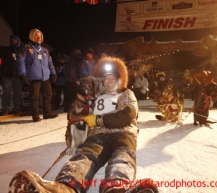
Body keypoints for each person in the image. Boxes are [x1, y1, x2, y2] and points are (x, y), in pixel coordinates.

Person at [9, 57, 158, 193]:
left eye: (113, 78)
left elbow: (127, 116)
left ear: (120, 79)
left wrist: (98, 119)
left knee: (123, 156)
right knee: (84, 156)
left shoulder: (126, 94)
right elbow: (78, 111)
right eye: (106, 79)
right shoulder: (96, 96)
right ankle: (66, 186)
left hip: (123, 133)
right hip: (98, 135)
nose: (109, 82)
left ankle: (117, 186)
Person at [16, 29, 58, 122]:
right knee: (34, 97)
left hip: (45, 77)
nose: (38, 38)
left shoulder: (45, 50)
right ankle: (35, 115)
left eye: (40, 36)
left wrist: (53, 72)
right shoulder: (26, 48)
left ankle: (47, 113)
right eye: (36, 36)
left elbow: (50, 63)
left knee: (48, 95)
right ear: (31, 36)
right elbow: (20, 61)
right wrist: (23, 74)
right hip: (33, 76)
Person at [0, 35, 23, 116]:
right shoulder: (5, 50)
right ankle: (5, 108)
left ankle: (17, 107)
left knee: (17, 92)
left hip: (18, 75)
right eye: (12, 40)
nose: (14, 41)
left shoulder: (21, 51)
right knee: (7, 92)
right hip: (7, 74)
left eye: (15, 40)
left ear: (18, 41)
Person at [64, 47, 87, 112]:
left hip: (68, 79)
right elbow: (74, 70)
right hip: (73, 79)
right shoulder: (76, 59)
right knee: (73, 94)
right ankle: (71, 108)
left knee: (69, 94)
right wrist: (76, 79)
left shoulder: (70, 59)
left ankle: (67, 108)